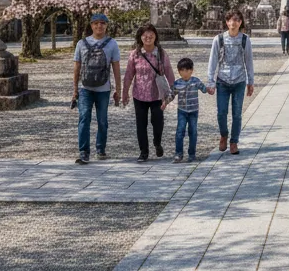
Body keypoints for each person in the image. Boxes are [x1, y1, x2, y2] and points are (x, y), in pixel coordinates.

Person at [123, 23, 177, 163]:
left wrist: (174, 89)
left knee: (158, 122)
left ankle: (157, 143)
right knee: (141, 124)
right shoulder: (134, 54)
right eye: (145, 35)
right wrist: (124, 92)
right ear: (140, 37)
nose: (148, 37)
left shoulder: (161, 53)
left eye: (151, 35)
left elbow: (169, 72)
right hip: (139, 94)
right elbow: (129, 74)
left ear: (155, 37)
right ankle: (143, 152)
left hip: (156, 94)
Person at [72, 13, 121, 165]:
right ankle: (84, 152)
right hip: (85, 88)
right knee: (84, 118)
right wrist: (75, 89)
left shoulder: (112, 44)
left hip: (104, 88)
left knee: (102, 120)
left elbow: (116, 67)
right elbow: (77, 67)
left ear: (106, 25)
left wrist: (118, 89)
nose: (99, 26)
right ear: (91, 25)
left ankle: (101, 149)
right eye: (96, 23)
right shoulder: (81, 43)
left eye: (102, 23)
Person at [206, 8, 255, 155]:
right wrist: (210, 81)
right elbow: (213, 61)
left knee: (237, 113)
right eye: (231, 20)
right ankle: (223, 135)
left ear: (240, 23)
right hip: (223, 79)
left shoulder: (245, 39)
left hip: (239, 80)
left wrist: (250, 81)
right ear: (227, 22)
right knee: (221, 112)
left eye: (237, 20)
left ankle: (234, 141)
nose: (233, 23)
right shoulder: (219, 39)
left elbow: (249, 61)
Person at [165, 57, 206, 162]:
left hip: (193, 111)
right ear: (179, 72)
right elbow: (172, 94)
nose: (185, 73)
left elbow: (203, 88)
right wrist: (165, 103)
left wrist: (209, 89)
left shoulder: (195, 81)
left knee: (193, 131)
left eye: (187, 70)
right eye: (182, 70)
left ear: (191, 70)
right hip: (182, 111)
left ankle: (192, 153)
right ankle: (178, 153)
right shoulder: (177, 83)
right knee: (180, 131)